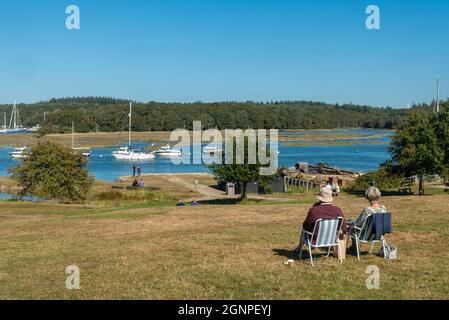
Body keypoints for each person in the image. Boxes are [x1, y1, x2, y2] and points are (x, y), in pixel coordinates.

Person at [295, 187, 347, 252]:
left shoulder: (314, 210)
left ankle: (299, 248)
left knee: (304, 229)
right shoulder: (338, 210)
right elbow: (344, 228)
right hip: (332, 239)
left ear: (320, 198)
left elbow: (306, 226)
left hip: (316, 240)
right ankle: (329, 247)